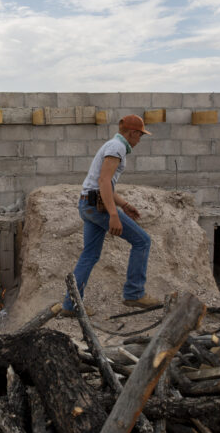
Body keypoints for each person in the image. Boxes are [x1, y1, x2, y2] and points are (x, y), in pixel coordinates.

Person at [63, 114, 157, 316]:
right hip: (98, 206)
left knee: (89, 255)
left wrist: (124, 204)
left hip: (88, 204)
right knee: (143, 241)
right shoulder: (117, 148)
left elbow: (103, 183)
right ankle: (134, 293)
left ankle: (71, 306)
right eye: (140, 135)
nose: (139, 140)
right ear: (132, 132)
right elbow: (104, 182)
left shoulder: (113, 145)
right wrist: (113, 214)